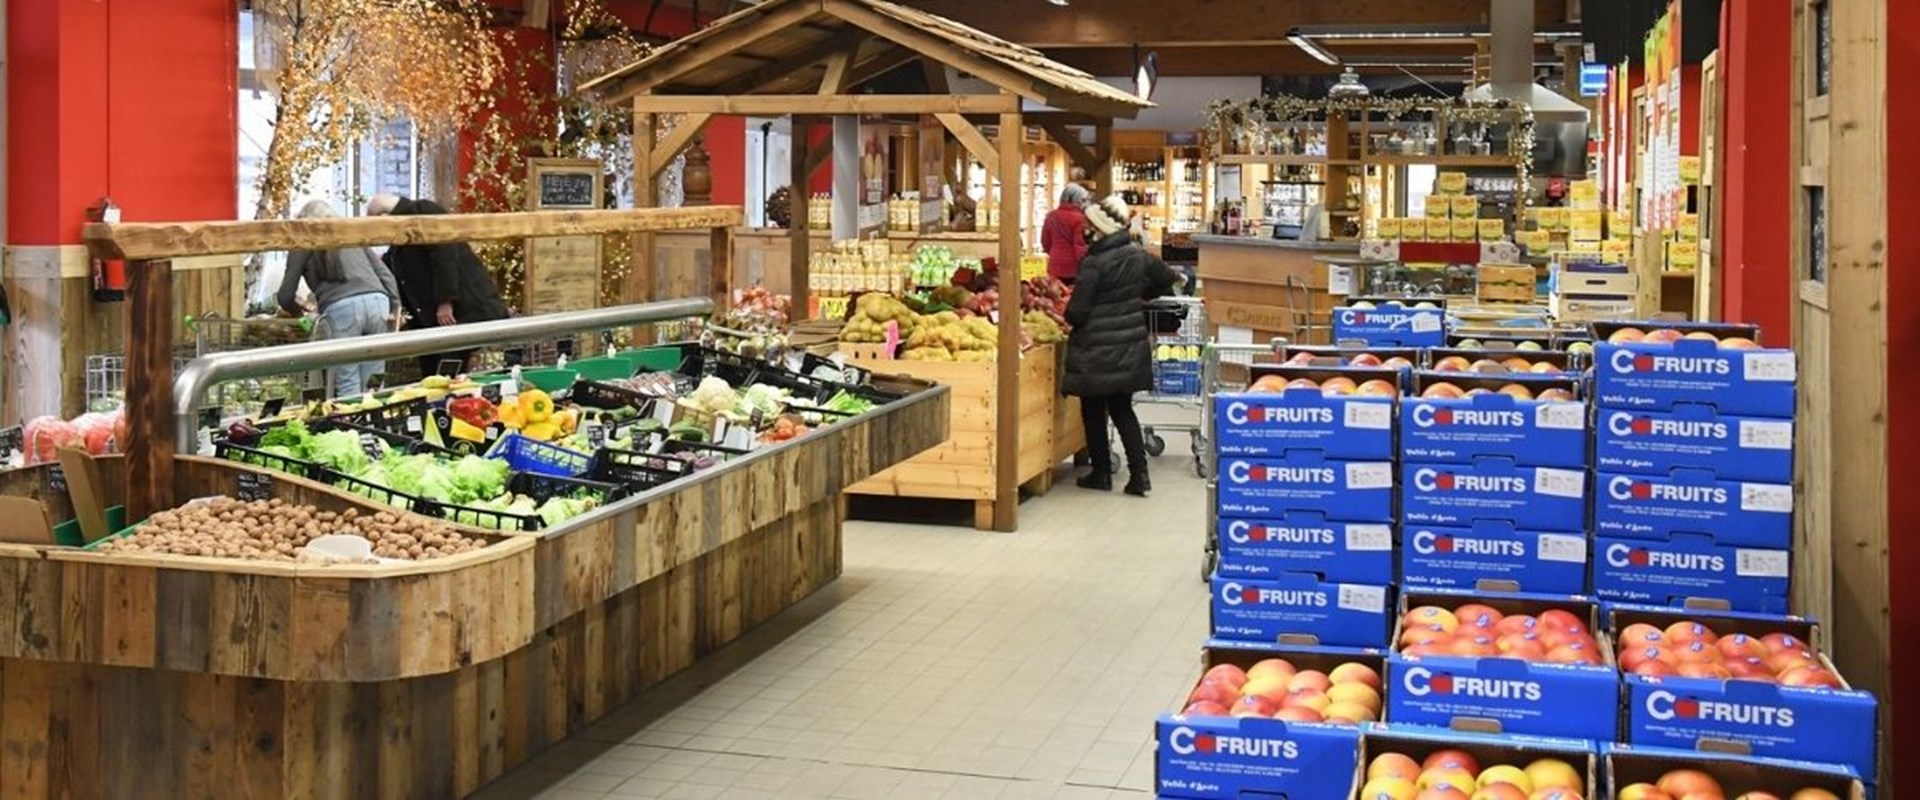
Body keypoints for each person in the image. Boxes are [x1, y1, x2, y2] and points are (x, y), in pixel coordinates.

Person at [1063, 195, 1180, 496]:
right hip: (1129, 345)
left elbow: (1078, 312)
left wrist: (1069, 314)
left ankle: (1101, 472)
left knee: (1092, 410)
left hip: (1095, 347)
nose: (1086, 229)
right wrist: (1139, 293)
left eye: (1090, 225)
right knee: (1123, 410)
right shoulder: (1137, 255)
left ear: (1101, 228)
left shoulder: (1094, 262)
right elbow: (1168, 278)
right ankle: (1139, 476)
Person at [276, 200, 402, 397]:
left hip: (341, 308)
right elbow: (385, 275)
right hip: (378, 303)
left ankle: (353, 417)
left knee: (348, 379)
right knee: (374, 379)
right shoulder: (350, 234)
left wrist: (300, 314)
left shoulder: (303, 241)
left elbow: (284, 296)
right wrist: (395, 308)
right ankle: (376, 413)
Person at [384, 198, 511, 376]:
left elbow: (444, 258)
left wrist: (445, 300)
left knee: (451, 367)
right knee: (438, 369)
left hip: (464, 311)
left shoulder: (422, 211)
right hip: (435, 322)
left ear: (384, 216)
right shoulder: (397, 246)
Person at [1041, 184, 1092, 284]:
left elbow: (1045, 242)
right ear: (1078, 200)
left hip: (1054, 264)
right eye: (1083, 200)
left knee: (1055, 292)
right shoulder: (1080, 219)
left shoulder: (1051, 216)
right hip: (1073, 268)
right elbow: (1080, 247)